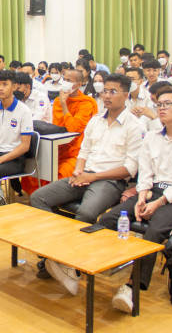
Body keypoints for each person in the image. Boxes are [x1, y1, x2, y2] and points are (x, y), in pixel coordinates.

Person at [31, 74, 143, 292]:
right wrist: (79, 170)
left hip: (110, 181)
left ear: (126, 95)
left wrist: (92, 177)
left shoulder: (134, 126)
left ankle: (73, 267)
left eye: (113, 91)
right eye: (105, 91)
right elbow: (84, 151)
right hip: (85, 174)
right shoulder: (96, 120)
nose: (107, 96)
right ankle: (55, 253)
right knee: (39, 197)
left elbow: (130, 169)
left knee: (86, 214)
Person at [99, 85, 172, 313]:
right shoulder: (152, 137)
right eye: (159, 104)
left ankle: (132, 287)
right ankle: (101, 263)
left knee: (154, 232)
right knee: (108, 220)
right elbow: (145, 170)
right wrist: (142, 196)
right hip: (150, 192)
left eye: (168, 104)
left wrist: (159, 202)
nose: (162, 108)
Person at [22, 69, 98, 194]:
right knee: (35, 171)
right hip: (57, 147)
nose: (65, 83)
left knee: (61, 173)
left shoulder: (87, 103)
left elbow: (74, 129)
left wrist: (64, 105)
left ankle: (54, 203)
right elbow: (57, 128)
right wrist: (61, 102)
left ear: (79, 84)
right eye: (65, 79)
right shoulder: (57, 101)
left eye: (69, 81)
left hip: (77, 151)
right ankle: (38, 201)